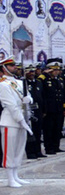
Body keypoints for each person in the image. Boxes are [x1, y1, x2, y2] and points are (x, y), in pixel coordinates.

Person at [0, 57, 34, 187]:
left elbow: (29, 96)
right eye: (11, 65)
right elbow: (11, 105)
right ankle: (10, 178)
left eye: (15, 65)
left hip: (23, 117)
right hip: (10, 120)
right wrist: (21, 121)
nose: (15, 67)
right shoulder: (3, 84)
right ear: (4, 68)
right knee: (10, 149)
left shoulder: (20, 82)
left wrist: (28, 100)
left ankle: (16, 175)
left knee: (19, 149)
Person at [24, 65, 45, 160]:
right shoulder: (23, 83)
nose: (31, 73)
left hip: (38, 110)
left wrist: (44, 110)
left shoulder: (38, 82)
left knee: (38, 131)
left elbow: (43, 96)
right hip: (28, 110)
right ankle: (30, 152)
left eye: (33, 71)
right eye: (29, 71)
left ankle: (38, 151)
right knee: (30, 132)